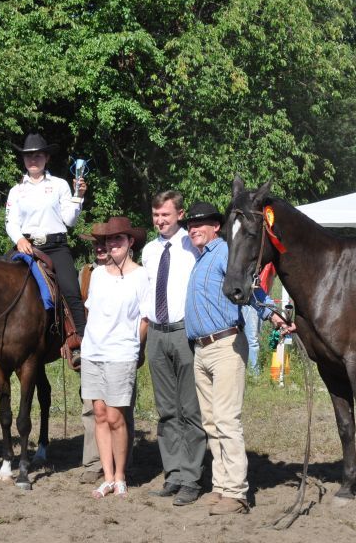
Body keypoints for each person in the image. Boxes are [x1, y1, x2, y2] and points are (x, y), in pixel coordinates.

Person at [184, 201, 289, 515]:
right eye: (190, 224)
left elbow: (251, 289)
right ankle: (220, 486)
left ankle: (236, 492)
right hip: (201, 349)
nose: (193, 229)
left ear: (216, 226)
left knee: (227, 420)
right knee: (211, 421)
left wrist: (273, 314)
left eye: (201, 223)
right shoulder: (200, 259)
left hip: (226, 344)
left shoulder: (225, 254)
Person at [141, 190, 207, 506]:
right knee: (167, 410)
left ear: (179, 214)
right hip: (156, 332)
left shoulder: (192, 246)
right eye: (156, 215)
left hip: (184, 333)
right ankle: (174, 474)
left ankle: (192, 478)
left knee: (190, 410)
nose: (160, 221)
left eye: (165, 215)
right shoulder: (149, 251)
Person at [80, 217, 150, 499]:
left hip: (121, 353)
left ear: (130, 242)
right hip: (93, 352)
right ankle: (107, 476)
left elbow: (145, 318)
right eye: (109, 240)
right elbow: (90, 310)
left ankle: (121, 474)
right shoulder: (96, 274)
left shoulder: (141, 275)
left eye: (118, 239)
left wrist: (136, 347)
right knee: (98, 414)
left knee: (116, 417)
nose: (112, 244)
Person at [5, 133, 88, 362]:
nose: (33, 160)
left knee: (71, 289)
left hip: (55, 246)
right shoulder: (16, 190)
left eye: (38, 155)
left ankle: (81, 341)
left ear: (46, 158)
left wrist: (78, 196)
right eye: (29, 156)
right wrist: (19, 239)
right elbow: (11, 221)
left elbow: (69, 220)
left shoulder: (60, 185)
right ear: (23, 159)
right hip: (25, 245)